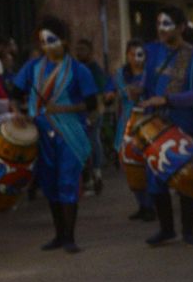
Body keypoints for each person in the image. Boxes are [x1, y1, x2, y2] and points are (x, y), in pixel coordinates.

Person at [8, 16, 99, 253]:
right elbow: (15, 95)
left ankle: (70, 237)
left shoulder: (79, 70)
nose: (47, 46)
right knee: (49, 184)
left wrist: (64, 109)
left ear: (65, 41)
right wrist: (18, 112)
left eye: (52, 40)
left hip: (69, 132)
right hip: (41, 132)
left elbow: (91, 104)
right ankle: (59, 235)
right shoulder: (32, 68)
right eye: (43, 42)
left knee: (67, 181)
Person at [141, 5, 193, 247]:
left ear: (181, 28)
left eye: (167, 24)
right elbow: (146, 86)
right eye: (159, 24)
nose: (161, 29)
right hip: (156, 127)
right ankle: (166, 229)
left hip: (184, 125)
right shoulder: (151, 53)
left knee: (186, 177)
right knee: (155, 180)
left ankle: (188, 231)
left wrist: (169, 99)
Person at [113, 39, 153, 221]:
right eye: (132, 54)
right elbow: (116, 92)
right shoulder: (121, 74)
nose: (136, 58)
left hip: (148, 121)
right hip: (127, 122)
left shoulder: (150, 73)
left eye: (140, 54)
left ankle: (151, 205)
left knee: (148, 164)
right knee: (130, 164)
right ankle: (142, 204)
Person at [72, 37, 111, 195]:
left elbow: (101, 93)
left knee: (93, 141)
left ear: (90, 52)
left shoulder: (94, 69)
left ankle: (96, 173)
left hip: (93, 111)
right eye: (78, 49)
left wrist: (95, 113)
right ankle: (87, 178)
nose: (79, 53)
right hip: (79, 112)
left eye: (83, 49)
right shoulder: (77, 68)